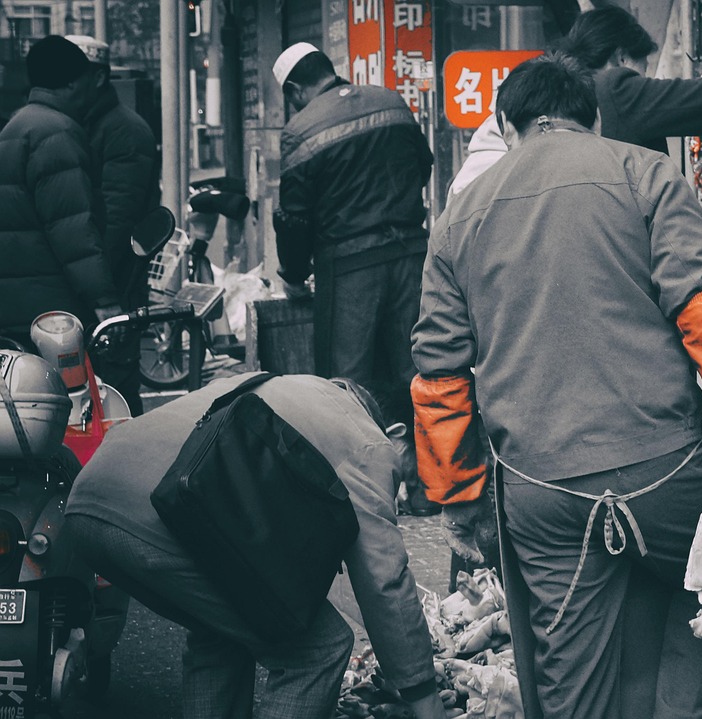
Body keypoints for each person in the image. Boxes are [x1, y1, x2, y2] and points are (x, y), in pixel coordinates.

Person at [412, 55, 702, 719]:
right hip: (664, 475)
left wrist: (457, 496)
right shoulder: (645, 173)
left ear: (508, 126)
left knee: (571, 682)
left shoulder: (458, 216)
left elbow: (440, 371)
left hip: (542, 491)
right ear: (591, 121)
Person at [64, 374, 447, 719]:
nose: (405, 491)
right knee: (319, 648)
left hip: (86, 502)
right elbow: (384, 580)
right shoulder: (366, 440)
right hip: (152, 516)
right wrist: (423, 694)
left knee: (223, 635)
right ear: (396, 433)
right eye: (411, 474)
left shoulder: (287, 386)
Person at [271, 42, 437, 514]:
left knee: (348, 384)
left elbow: (295, 218)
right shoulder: (391, 102)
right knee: (416, 372)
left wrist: (293, 274)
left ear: (295, 90)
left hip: (349, 268)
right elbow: (423, 164)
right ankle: (427, 491)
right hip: (409, 256)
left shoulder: (301, 129)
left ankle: (367, 496)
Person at [448, 5, 702, 196]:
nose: (645, 81)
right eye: (643, 69)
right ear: (621, 58)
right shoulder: (610, 89)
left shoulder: (533, 90)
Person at [0, 36, 121, 339]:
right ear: (72, 83)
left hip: (15, 302)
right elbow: (72, 227)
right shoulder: (57, 132)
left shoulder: (15, 126)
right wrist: (103, 299)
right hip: (53, 310)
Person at [66, 34, 160, 416]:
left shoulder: (124, 130)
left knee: (115, 394)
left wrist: (97, 288)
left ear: (98, 77)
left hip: (115, 284)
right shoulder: (82, 125)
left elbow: (118, 220)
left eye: (72, 76)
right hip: (94, 284)